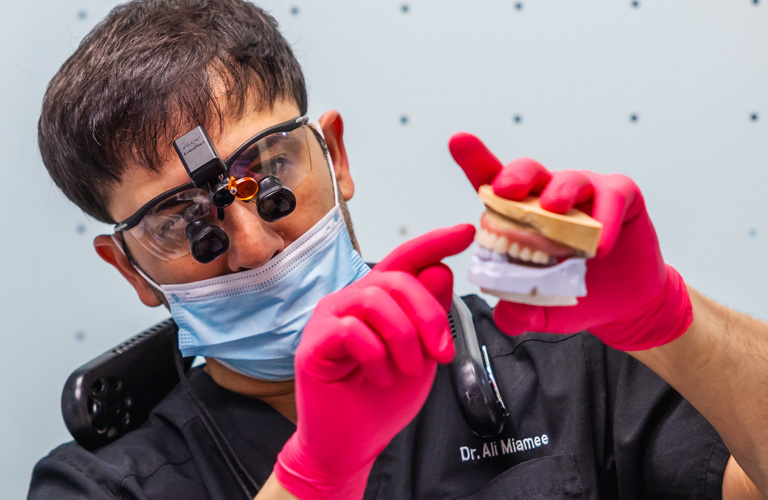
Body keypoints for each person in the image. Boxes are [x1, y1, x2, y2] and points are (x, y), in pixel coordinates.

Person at [27, 0, 767, 499]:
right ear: (130, 268)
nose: (253, 245)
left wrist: (670, 321)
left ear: (336, 159)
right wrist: (318, 473)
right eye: (183, 223)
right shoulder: (98, 484)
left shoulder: (565, 364)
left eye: (270, 173)